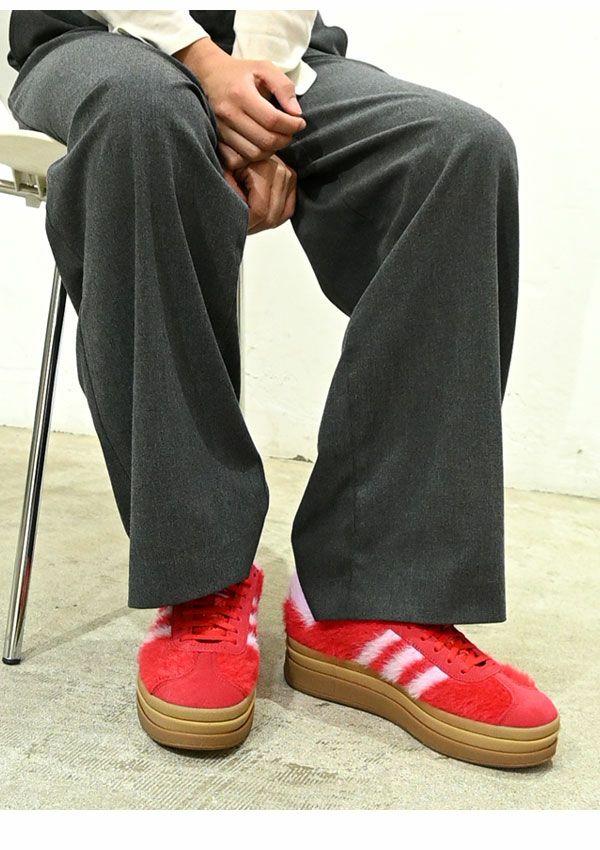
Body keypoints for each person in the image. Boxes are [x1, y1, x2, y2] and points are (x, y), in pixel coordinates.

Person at [5, 10, 559, 768]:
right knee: (140, 113)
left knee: (457, 147)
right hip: (100, 38)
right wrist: (201, 59)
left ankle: (370, 598)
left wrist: (256, 101)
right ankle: (202, 582)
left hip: (279, 60)